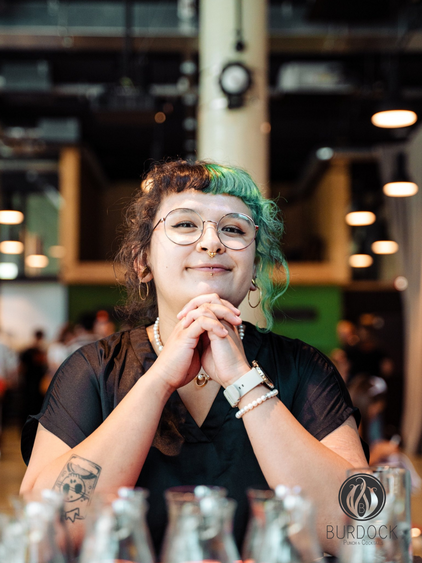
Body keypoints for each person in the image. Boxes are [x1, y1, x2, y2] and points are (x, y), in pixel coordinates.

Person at [20, 160, 368, 556]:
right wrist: (158, 381)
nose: (211, 242)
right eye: (185, 224)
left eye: (233, 229)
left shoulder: (304, 370)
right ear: (143, 261)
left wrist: (243, 381)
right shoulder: (92, 371)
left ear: (254, 266)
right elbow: (43, 531)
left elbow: (362, 527)